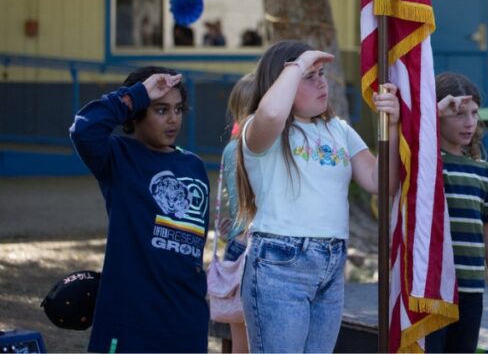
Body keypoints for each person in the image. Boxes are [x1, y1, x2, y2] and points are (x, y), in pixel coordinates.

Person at [235, 40, 400, 352]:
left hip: (331, 263)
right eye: (308, 77)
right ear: (280, 82)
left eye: (321, 74)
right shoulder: (262, 129)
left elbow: (381, 181)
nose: (321, 82)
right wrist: (298, 65)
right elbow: (271, 113)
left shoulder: (338, 130)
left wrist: (391, 128)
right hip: (279, 263)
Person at [69, 67, 209, 353]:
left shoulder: (193, 166)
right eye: (160, 110)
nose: (173, 119)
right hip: (130, 319)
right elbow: (84, 129)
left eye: (178, 109)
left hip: (186, 318)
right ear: (136, 116)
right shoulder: (119, 158)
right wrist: (138, 94)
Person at [426, 73, 488, 353]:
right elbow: (413, 139)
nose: (469, 122)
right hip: (433, 289)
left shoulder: (483, 171)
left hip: (471, 290)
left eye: (474, 113)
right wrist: (431, 111)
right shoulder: (428, 163)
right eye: (459, 114)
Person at [218, 72, 256, 353]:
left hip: (237, 244)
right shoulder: (247, 150)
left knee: (241, 341)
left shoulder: (232, 148)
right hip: (252, 248)